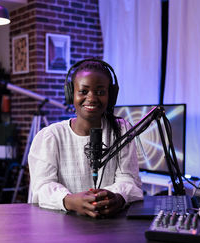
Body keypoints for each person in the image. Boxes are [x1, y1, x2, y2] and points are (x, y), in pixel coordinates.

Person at [28, 59, 143, 218]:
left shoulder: (121, 131)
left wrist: (117, 197)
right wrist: (70, 201)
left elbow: (128, 179)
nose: (92, 98)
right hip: (62, 228)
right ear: (71, 94)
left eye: (101, 92)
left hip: (111, 226)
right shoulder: (51, 137)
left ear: (111, 96)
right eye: (84, 91)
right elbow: (42, 187)